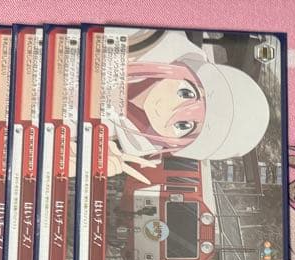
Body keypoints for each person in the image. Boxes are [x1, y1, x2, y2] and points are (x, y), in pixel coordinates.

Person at [106, 30, 271, 183]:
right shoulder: (151, 38)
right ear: (189, 67)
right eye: (185, 93)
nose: (167, 110)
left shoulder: (130, 142)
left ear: (178, 145)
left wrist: (94, 152)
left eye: (183, 126)